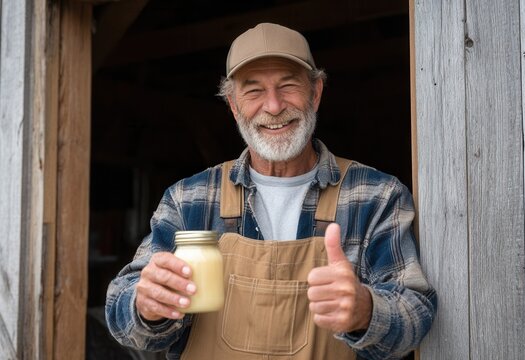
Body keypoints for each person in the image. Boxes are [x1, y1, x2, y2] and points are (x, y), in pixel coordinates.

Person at [106, 23, 437, 360]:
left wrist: (366, 311)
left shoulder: (375, 196)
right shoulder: (188, 200)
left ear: (316, 93)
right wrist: (147, 308)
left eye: (288, 85)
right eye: (254, 91)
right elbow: (124, 318)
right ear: (234, 105)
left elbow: (416, 314)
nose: (274, 106)